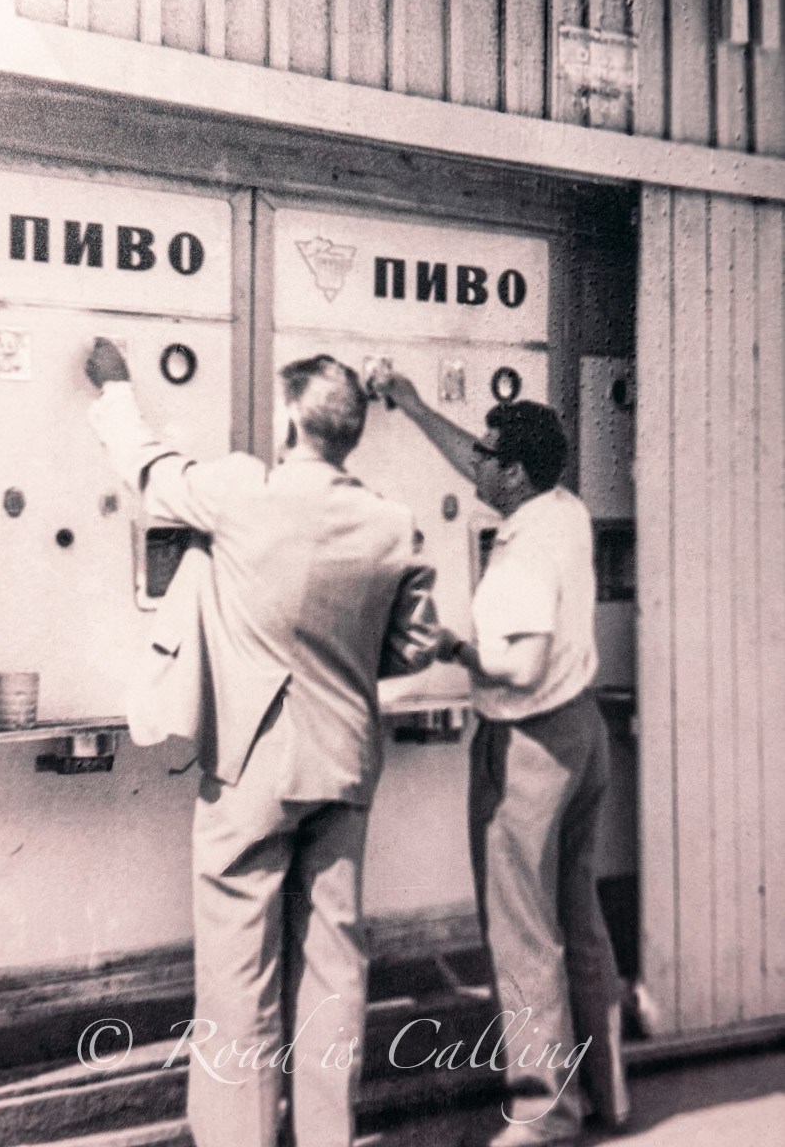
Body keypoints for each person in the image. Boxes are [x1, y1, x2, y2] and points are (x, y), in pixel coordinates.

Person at [85, 342, 437, 1147]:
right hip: (344, 762)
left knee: (240, 979)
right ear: (350, 434)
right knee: (334, 971)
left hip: (249, 767)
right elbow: (414, 645)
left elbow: (147, 467)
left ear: (287, 421)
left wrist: (115, 385)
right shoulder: (391, 522)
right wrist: (343, 664)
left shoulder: (244, 490)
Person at [379, 374, 629, 1147]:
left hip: (525, 748)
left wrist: (447, 644)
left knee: (522, 934)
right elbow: (475, 461)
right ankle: (604, 1094)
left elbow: (517, 668)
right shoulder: (562, 509)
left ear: (513, 474)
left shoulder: (520, 551)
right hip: (580, 736)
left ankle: (543, 1114)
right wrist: (415, 405)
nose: (477, 466)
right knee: (578, 920)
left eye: (488, 457)